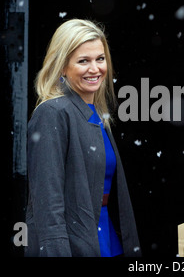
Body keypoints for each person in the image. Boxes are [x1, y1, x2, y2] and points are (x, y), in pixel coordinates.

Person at [25, 19, 141, 257]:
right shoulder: (52, 113)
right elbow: (48, 204)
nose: (95, 68)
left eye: (100, 59)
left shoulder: (96, 115)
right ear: (62, 67)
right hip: (75, 246)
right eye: (83, 61)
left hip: (107, 238)